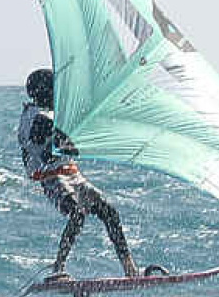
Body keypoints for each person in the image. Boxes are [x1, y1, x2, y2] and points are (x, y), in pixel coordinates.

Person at [19, 68, 138, 280]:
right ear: (43, 92)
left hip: (73, 175)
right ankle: (58, 267)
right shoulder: (36, 117)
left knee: (109, 211)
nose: (59, 94)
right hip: (52, 178)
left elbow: (69, 143)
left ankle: (129, 268)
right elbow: (48, 149)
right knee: (77, 214)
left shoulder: (52, 113)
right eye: (55, 90)